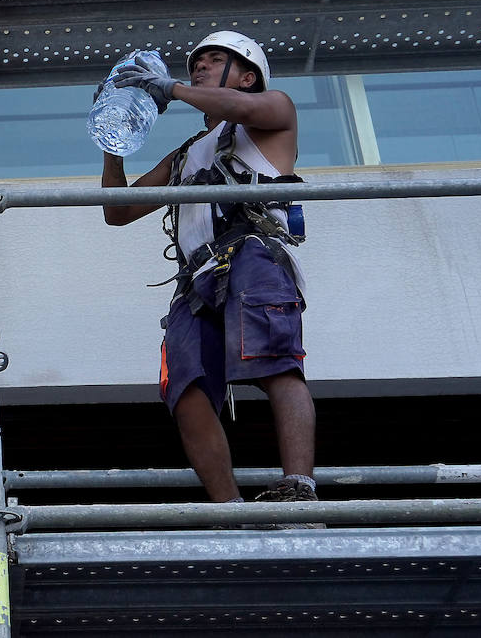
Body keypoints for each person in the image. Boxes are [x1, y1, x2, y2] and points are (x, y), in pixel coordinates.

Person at [99, 32, 318, 513]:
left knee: (276, 363)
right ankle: (229, 509)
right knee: (186, 389)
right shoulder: (186, 154)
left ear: (248, 76)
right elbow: (118, 211)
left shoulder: (273, 111)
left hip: (254, 255)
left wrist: (171, 89)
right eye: (196, 62)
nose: (199, 66)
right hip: (197, 279)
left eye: (214, 60)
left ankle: (299, 490)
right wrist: (113, 140)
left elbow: (240, 109)